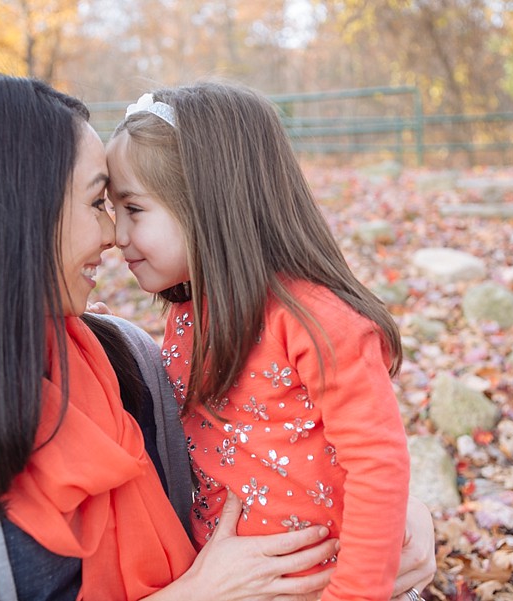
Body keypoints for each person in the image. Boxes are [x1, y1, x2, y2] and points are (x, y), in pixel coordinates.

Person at [0, 72, 434, 601]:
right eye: (96, 205)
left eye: (126, 209)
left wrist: (402, 520)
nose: (113, 236)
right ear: (12, 218)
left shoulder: (123, 357)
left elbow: (316, 442)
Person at [105, 82, 414, 601]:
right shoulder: (189, 316)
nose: (118, 234)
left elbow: (378, 464)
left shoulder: (315, 319)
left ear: (208, 203)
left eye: (134, 209)